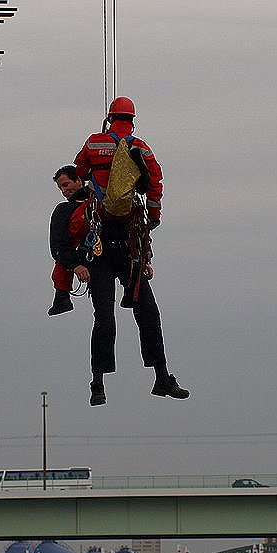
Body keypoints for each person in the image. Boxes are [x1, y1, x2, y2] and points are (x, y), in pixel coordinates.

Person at [72, 96, 188, 406]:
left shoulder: (95, 142)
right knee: (148, 312)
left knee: (103, 316)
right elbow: (155, 183)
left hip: (99, 244)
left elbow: (80, 167)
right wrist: (155, 217)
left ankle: (98, 383)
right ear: (133, 120)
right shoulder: (142, 147)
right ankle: (161, 376)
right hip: (130, 244)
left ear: (110, 118)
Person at [47, 166, 93, 316]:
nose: (64, 191)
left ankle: (62, 297)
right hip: (82, 257)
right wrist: (75, 265)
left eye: (66, 185)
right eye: (61, 188)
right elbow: (58, 244)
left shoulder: (98, 202)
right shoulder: (64, 209)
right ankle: (61, 297)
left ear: (79, 180)